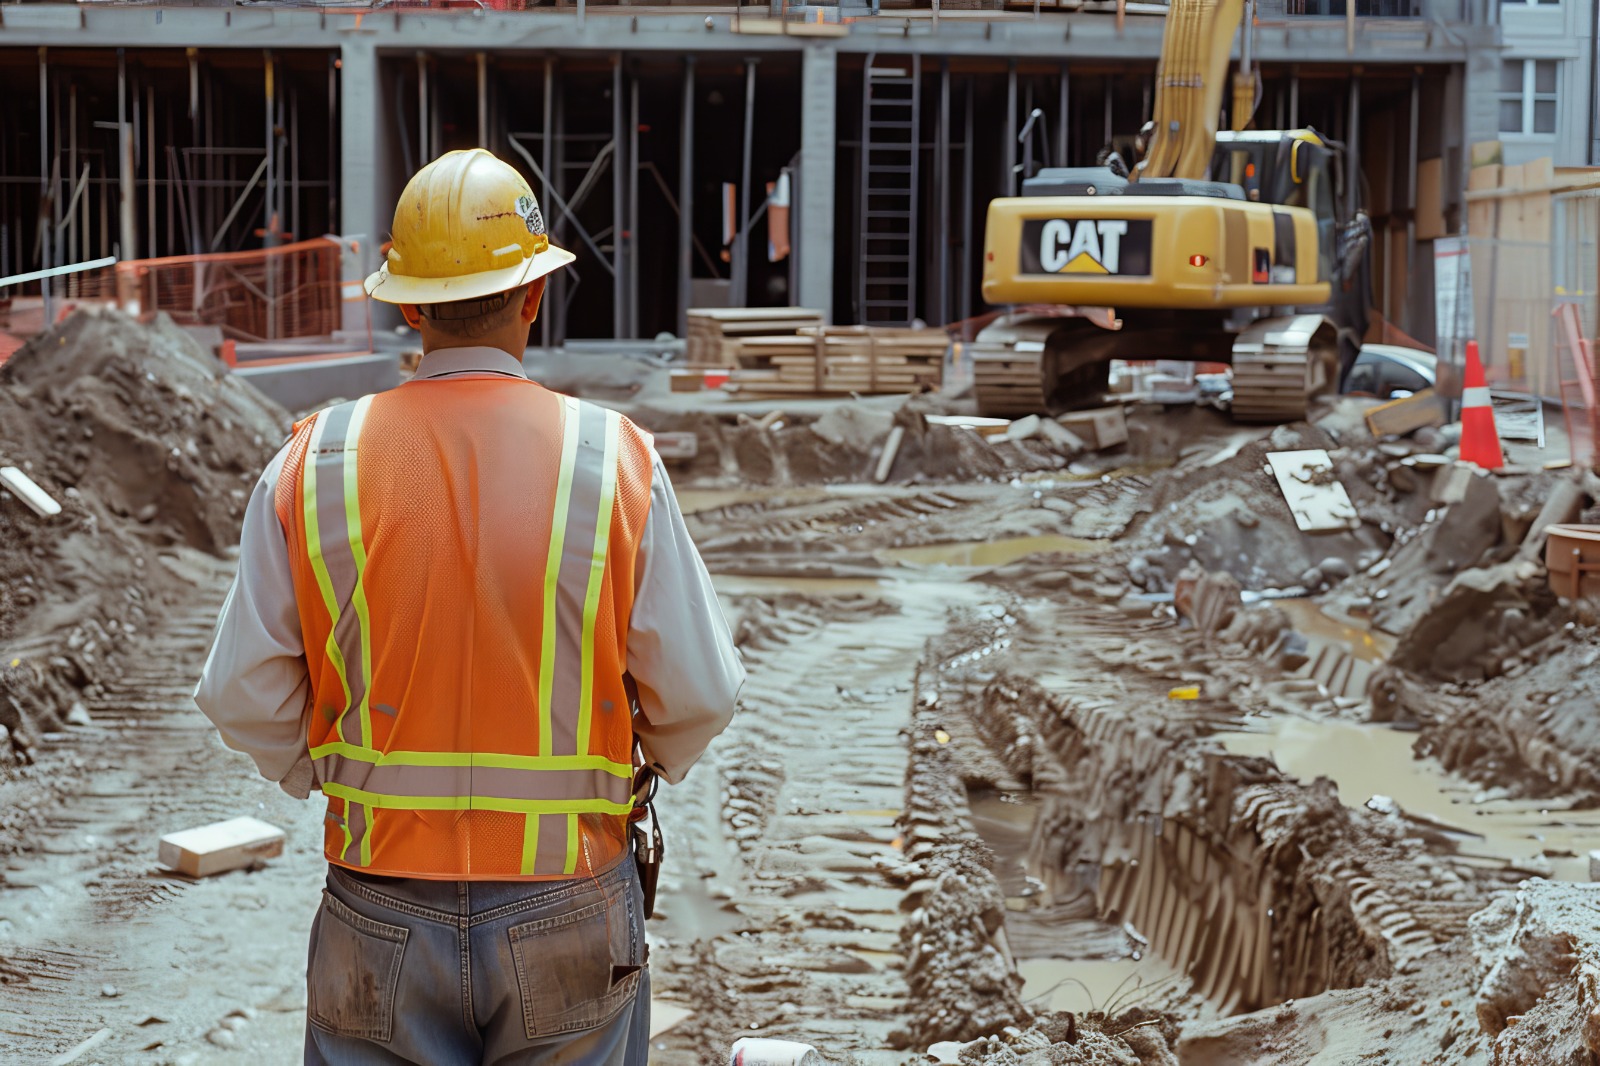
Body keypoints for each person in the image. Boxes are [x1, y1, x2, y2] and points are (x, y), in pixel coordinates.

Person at [194, 148, 743, 1066]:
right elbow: (701, 696)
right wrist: (636, 767)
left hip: (377, 901)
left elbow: (240, 693)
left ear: (408, 307)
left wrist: (326, 773)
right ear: (534, 295)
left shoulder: (316, 461)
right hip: (569, 894)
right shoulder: (611, 460)